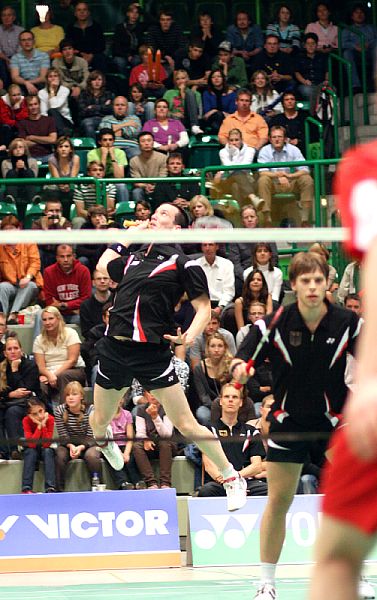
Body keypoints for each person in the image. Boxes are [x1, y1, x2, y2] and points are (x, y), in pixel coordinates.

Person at [91, 202, 248, 512]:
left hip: (151, 353)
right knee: (97, 423)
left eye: (162, 214)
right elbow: (102, 267)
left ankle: (231, 478)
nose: (153, 216)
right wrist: (128, 236)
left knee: (187, 424)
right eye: (153, 213)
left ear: (177, 228)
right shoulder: (134, 259)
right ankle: (105, 440)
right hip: (115, 348)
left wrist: (189, 336)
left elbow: (204, 308)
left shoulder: (184, 263)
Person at [230, 251, 362, 600]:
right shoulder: (273, 323)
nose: (313, 286)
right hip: (289, 422)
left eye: (318, 280)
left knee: (358, 498)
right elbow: (241, 359)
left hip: (336, 422)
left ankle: (356, 573)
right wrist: (241, 371)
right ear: (294, 285)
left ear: (328, 283)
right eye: (306, 281)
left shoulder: (348, 322)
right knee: (278, 501)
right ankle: (266, 582)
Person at [198, 382, 268, 497]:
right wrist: (227, 481)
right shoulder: (208, 430)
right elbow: (208, 464)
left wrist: (236, 479)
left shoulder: (251, 431)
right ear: (220, 401)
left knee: (267, 490)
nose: (230, 400)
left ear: (240, 402)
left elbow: (257, 466)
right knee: (206, 491)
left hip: (244, 481)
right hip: (219, 482)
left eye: (235, 397)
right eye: (226, 397)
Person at [256, 125, 314, 227]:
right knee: (263, 180)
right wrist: (277, 176)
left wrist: (290, 176)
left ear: (285, 139)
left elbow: (305, 170)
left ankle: (304, 220)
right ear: (270, 139)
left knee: (307, 179)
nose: (277, 140)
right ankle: (268, 221)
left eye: (279, 137)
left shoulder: (293, 149)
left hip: (291, 183)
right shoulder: (265, 150)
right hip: (273, 184)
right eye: (274, 137)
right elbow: (262, 172)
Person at [33, 307, 86, 409]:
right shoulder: (39, 340)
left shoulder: (70, 333)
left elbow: (72, 360)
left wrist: (53, 375)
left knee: (63, 376)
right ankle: (48, 414)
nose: (48, 322)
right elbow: (41, 367)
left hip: (73, 371)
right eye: (44, 320)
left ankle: (64, 413)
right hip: (49, 374)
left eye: (51, 318)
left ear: (58, 318)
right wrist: (49, 375)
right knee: (40, 384)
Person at [54, 380, 102, 492]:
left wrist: (80, 447)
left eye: (74, 394)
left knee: (92, 456)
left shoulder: (91, 410)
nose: (70, 397)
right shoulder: (59, 410)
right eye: (68, 395)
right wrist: (71, 446)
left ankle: (98, 486)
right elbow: (62, 435)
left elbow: (91, 435)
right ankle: (59, 490)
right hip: (68, 443)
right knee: (60, 455)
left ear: (81, 396)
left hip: (88, 443)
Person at [0, 332, 41, 460]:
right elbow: (4, 391)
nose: (13, 351)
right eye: (9, 349)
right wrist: (11, 394)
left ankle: (14, 449)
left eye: (16, 348)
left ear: (21, 350)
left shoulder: (31, 365)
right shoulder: (1, 367)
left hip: (28, 403)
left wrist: (15, 370)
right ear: (5, 353)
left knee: (12, 412)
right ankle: (2, 452)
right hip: (8, 402)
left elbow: (25, 390)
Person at [228, 204, 279, 296]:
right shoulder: (235, 238)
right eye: (246, 217)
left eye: (252, 216)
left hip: (266, 274)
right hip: (244, 276)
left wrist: (262, 277)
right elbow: (235, 263)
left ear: (257, 219)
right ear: (242, 221)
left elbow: (274, 258)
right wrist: (248, 278)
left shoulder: (268, 235)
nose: (249, 219)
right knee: (236, 285)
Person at [0, 215, 42, 323]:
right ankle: (2, 319)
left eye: (12, 230)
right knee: (2, 287)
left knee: (30, 285)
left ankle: (13, 314)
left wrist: (28, 277)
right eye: (6, 231)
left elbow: (35, 262)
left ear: (18, 229)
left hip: (28, 283)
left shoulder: (29, 242)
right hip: (10, 284)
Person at [133, 390, 177, 489]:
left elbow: (167, 434)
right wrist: (145, 440)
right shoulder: (141, 410)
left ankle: (165, 483)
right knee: (136, 446)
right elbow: (140, 433)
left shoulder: (167, 408)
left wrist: (155, 417)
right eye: (149, 392)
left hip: (168, 445)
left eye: (155, 392)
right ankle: (151, 483)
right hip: (150, 445)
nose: (152, 395)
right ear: (145, 395)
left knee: (164, 442)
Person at [43, 244, 92, 325]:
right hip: (57, 314)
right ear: (57, 258)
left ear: (74, 256)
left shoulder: (83, 271)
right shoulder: (48, 272)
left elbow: (86, 298)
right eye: (62, 257)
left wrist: (64, 305)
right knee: (41, 315)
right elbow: (50, 301)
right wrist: (71, 307)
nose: (65, 260)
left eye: (68, 256)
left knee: (85, 317)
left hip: (77, 315)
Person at [193, 332, 233, 427]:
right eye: (213, 346)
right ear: (207, 349)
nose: (216, 350)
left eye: (220, 346)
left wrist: (226, 406)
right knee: (202, 413)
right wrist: (217, 407)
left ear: (225, 348)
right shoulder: (200, 367)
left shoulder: (231, 365)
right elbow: (203, 396)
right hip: (209, 406)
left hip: (230, 404)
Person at [21, 397, 56, 493]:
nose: (40, 416)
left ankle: (50, 488)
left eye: (41, 411)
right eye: (35, 414)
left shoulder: (50, 419)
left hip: (45, 448)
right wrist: (39, 426)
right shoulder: (26, 420)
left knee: (48, 451)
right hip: (32, 448)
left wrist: (43, 424)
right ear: (29, 415)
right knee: (30, 452)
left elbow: (46, 444)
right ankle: (26, 488)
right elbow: (31, 445)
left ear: (44, 408)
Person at [86, 128, 128, 204]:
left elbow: (119, 177)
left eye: (110, 140)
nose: (108, 142)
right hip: (98, 181)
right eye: (105, 140)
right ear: (99, 142)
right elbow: (100, 174)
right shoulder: (92, 153)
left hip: (114, 181)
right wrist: (104, 155)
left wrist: (112, 156)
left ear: (114, 141)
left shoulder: (120, 153)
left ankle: (123, 212)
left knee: (121, 186)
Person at [341, 3, 377, 93]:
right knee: (346, 53)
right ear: (352, 16)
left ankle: (376, 80)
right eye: (356, 13)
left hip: (370, 52)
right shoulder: (347, 29)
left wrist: (368, 44)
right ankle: (355, 86)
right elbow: (342, 43)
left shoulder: (371, 28)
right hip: (355, 54)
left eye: (361, 12)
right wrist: (355, 46)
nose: (359, 14)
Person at [72, 159, 117, 228]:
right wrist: (94, 216)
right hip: (87, 217)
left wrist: (103, 189)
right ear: (89, 173)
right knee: (77, 221)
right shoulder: (80, 187)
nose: (98, 172)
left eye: (100, 170)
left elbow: (110, 208)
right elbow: (80, 211)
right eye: (95, 170)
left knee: (113, 223)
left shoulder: (110, 186)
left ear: (104, 173)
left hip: (105, 216)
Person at [65, 2, 107, 73]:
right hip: (77, 55)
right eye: (79, 10)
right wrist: (81, 54)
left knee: (100, 59)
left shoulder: (96, 26)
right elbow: (69, 44)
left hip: (95, 55)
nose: (82, 12)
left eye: (84, 10)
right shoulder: (70, 28)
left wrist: (91, 55)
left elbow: (101, 44)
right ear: (75, 13)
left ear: (88, 12)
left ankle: (100, 82)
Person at [195, 242, 235, 315]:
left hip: (221, 303)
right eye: (204, 245)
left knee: (231, 313)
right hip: (202, 303)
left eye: (210, 245)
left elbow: (229, 291)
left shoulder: (227, 264)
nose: (207, 248)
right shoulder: (196, 265)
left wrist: (220, 307)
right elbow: (195, 290)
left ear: (217, 247)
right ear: (201, 248)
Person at [32, 196, 71, 270]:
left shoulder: (66, 223)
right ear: (45, 212)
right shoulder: (37, 223)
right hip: (43, 253)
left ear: (61, 212)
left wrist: (57, 225)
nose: (54, 214)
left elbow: (65, 243)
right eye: (51, 211)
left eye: (57, 211)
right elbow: (36, 243)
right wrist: (47, 227)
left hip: (58, 253)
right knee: (38, 253)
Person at [1, 137, 39, 213]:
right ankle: (11, 197)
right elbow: (6, 178)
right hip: (12, 188)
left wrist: (25, 168)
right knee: (11, 173)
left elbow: (34, 176)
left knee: (29, 173)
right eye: (15, 148)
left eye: (20, 147)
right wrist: (16, 170)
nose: (18, 150)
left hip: (28, 188)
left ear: (25, 149)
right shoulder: (5, 162)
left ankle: (33, 197)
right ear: (11, 150)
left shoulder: (33, 161)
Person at [129, 131, 168, 203]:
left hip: (159, 186)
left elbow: (163, 177)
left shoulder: (163, 158)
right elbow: (136, 181)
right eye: (143, 141)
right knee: (136, 192)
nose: (146, 143)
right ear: (139, 144)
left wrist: (154, 186)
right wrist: (145, 186)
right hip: (142, 188)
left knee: (163, 189)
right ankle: (140, 212)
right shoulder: (133, 161)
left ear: (153, 143)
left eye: (149, 141)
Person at [99, 95, 141, 160]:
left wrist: (114, 129)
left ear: (127, 107)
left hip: (131, 147)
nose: (120, 107)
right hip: (111, 146)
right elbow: (105, 133)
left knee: (137, 155)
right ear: (113, 107)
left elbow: (132, 133)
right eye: (117, 105)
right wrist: (126, 124)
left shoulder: (135, 119)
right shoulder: (106, 119)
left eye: (122, 105)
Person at [17, 94, 57, 162]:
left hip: (48, 155)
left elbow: (53, 139)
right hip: (30, 157)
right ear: (27, 107)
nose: (33, 107)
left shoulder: (49, 120)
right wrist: (44, 140)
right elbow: (23, 144)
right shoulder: (22, 123)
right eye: (30, 105)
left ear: (39, 105)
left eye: (35, 104)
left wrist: (32, 137)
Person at [145, 9, 186, 74]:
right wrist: (165, 57)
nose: (165, 22)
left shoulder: (177, 28)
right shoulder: (153, 30)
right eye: (163, 20)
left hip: (174, 59)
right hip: (158, 59)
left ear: (172, 21)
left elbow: (182, 46)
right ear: (159, 21)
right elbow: (151, 47)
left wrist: (172, 57)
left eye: (168, 20)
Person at [163, 69, 203, 134]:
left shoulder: (195, 94)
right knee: (176, 118)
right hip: (174, 119)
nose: (180, 81)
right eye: (178, 79)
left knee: (190, 93)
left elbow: (199, 115)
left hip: (189, 120)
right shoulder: (169, 93)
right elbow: (163, 111)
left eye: (183, 78)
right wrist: (173, 114)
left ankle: (194, 126)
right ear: (175, 81)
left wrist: (183, 95)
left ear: (188, 79)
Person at [10, 30, 49, 95]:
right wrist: (26, 83)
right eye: (23, 40)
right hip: (22, 86)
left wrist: (28, 83)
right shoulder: (15, 58)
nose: (27, 42)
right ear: (20, 43)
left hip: (40, 85)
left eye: (29, 39)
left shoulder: (43, 56)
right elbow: (14, 77)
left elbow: (43, 78)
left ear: (34, 41)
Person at [78, 70, 114, 139]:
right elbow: (82, 112)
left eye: (99, 80)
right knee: (88, 123)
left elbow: (111, 109)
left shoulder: (109, 94)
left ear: (103, 81)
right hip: (88, 119)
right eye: (94, 80)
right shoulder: (83, 95)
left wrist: (93, 107)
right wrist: (103, 107)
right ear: (90, 82)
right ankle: (93, 147)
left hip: (105, 119)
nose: (97, 82)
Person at [112, 2, 146, 75]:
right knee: (121, 62)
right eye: (132, 12)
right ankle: (124, 83)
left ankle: (135, 81)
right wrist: (127, 55)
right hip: (121, 54)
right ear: (128, 14)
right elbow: (116, 46)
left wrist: (142, 10)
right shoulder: (120, 27)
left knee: (137, 60)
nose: (134, 15)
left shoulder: (140, 27)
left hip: (135, 54)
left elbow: (154, 22)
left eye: (137, 13)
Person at [38, 68, 73, 136]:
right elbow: (43, 112)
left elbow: (54, 106)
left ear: (59, 78)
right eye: (50, 76)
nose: (53, 78)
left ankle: (62, 135)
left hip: (65, 122)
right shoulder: (41, 93)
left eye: (55, 76)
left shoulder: (65, 90)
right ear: (47, 79)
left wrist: (51, 90)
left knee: (52, 111)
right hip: (49, 121)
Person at [269, 91, 307, 155]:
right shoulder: (276, 120)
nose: (289, 101)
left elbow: (313, 135)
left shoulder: (305, 117)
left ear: (295, 101)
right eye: (286, 100)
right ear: (283, 103)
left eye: (292, 99)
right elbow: (271, 136)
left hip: (303, 148)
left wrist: (299, 140)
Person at [294, 33, 328, 102]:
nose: (310, 46)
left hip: (321, 84)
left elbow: (327, 71)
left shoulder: (322, 57)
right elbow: (296, 72)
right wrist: (304, 81)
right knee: (307, 91)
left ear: (316, 45)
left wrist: (327, 80)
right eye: (308, 43)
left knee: (332, 90)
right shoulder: (299, 57)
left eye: (313, 43)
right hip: (306, 84)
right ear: (304, 45)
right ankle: (314, 112)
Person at [202, 69, 237, 134]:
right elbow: (206, 114)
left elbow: (232, 113)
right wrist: (218, 112)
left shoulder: (232, 94)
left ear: (223, 79)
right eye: (213, 77)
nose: (216, 79)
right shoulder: (206, 93)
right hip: (211, 120)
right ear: (210, 80)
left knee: (219, 116)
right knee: (218, 115)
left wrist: (215, 111)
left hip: (228, 120)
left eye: (219, 76)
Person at [79, 269, 111, 339]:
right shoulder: (85, 306)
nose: (102, 281)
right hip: (94, 343)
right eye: (99, 279)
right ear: (93, 283)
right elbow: (86, 332)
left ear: (110, 281)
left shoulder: (117, 301)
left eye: (105, 278)